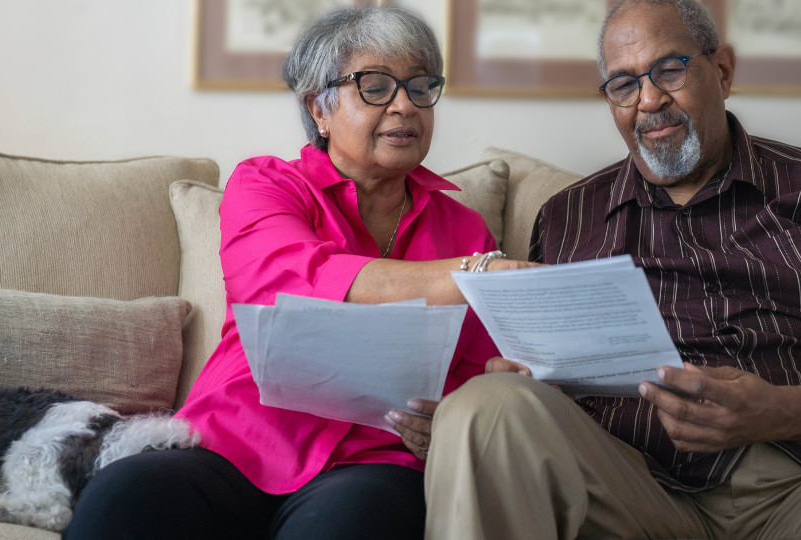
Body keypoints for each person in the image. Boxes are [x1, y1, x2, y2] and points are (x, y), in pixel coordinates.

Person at [421, 1, 801, 539]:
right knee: (484, 408)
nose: (649, 100)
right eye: (624, 84)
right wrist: (520, 386)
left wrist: (777, 412)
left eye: (670, 69)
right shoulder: (568, 219)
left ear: (723, 71)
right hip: (636, 488)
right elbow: (541, 378)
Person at [62, 6, 535, 540]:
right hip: (233, 444)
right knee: (124, 497)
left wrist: (454, 419)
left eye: (421, 86)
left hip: (375, 460)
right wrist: (471, 275)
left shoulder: (466, 229)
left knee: (353, 524)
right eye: (376, 86)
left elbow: (477, 370)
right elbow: (290, 285)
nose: (406, 104)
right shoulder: (266, 185)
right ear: (320, 108)